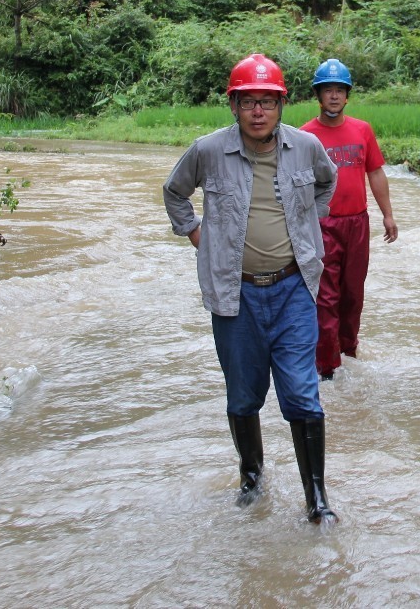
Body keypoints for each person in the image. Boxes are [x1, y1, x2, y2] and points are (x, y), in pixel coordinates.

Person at [163, 53, 341, 524]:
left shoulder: (305, 147)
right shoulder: (207, 150)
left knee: (302, 395)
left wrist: (308, 224)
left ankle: (316, 498)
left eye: (267, 101)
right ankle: (251, 477)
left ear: (281, 104)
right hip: (234, 296)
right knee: (243, 396)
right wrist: (198, 235)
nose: (258, 111)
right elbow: (174, 191)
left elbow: (328, 182)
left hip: (293, 290)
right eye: (248, 102)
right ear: (234, 106)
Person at [301, 58, 399, 380]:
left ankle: (349, 350)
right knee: (326, 297)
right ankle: (327, 367)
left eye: (339, 90)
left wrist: (388, 214)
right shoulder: (304, 137)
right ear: (318, 95)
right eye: (327, 90)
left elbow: (375, 172)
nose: (333, 96)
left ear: (347, 95)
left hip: (357, 224)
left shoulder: (362, 130)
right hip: (322, 225)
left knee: (353, 294)